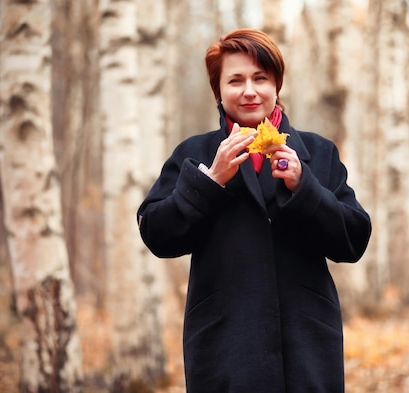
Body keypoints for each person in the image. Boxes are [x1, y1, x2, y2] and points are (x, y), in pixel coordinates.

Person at [137, 28, 371, 393]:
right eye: (235, 80)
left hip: (307, 345)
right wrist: (210, 181)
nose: (249, 91)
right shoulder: (194, 154)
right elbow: (157, 233)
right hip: (225, 346)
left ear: (276, 84)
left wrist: (304, 187)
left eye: (260, 78)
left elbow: (354, 240)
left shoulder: (317, 152)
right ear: (219, 90)